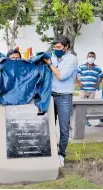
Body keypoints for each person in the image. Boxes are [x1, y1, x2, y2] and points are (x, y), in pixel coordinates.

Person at [43, 36, 78, 167]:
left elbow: (61, 76)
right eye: (55, 47)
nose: (56, 50)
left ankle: (61, 154)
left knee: (63, 128)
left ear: (66, 47)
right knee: (49, 126)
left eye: (58, 47)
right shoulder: (52, 57)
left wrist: (50, 64)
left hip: (64, 97)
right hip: (50, 96)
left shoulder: (72, 59)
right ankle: (50, 151)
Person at [76, 52, 103, 126]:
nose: (91, 58)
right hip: (83, 89)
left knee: (89, 107)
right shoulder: (81, 67)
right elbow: (75, 74)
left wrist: (97, 83)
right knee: (81, 106)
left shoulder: (97, 68)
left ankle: (86, 121)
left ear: (95, 58)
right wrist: (78, 83)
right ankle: (80, 120)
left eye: (92, 57)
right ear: (87, 57)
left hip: (92, 90)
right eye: (90, 56)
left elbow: (101, 76)